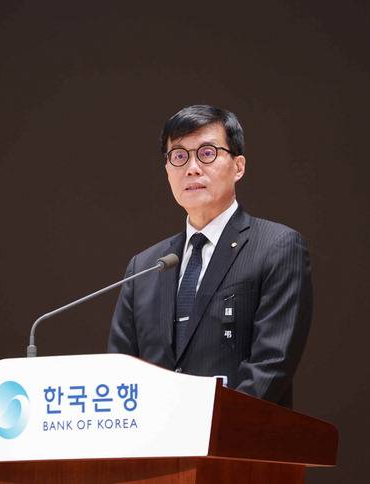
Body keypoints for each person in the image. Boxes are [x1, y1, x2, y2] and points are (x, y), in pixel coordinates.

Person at [108, 104, 312, 408]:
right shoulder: (145, 266)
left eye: (207, 153)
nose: (192, 168)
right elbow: (120, 371)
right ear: (167, 171)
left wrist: (211, 426)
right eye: (179, 156)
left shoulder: (276, 247)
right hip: (157, 436)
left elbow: (271, 364)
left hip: (237, 433)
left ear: (238, 166)